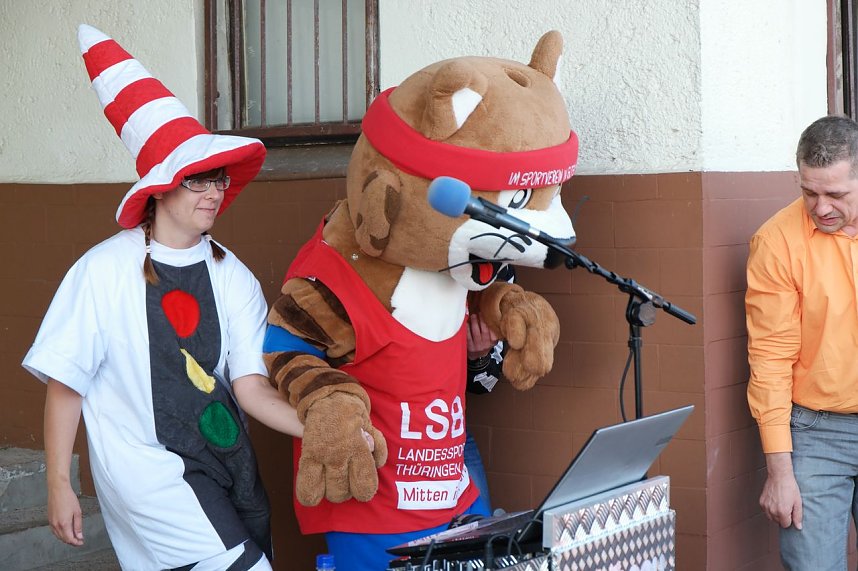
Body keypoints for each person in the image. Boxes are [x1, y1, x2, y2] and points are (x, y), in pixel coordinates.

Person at [22, 25, 303, 571]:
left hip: (226, 465)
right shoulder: (103, 270)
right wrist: (58, 483)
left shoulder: (233, 276)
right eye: (199, 180)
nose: (214, 192)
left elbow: (249, 387)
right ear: (160, 186)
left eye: (219, 180)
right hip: (147, 476)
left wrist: (324, 430)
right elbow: (66, 381)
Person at [746, 114, 858, 569]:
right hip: (817, 433)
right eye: (809, 192)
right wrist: (780, 472)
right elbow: (770, 358)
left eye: (836, 195)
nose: (821, 207)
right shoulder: (776, 242)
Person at [463, 264, 516, 514]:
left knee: (480, 525)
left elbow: (486, 383)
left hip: (452, 428)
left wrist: (478, 356)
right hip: (387, 425)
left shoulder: (498, 266)